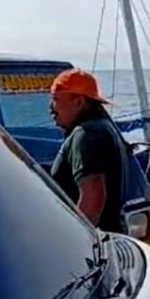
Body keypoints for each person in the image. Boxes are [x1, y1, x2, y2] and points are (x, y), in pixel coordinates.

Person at [49, 68, 127, 233]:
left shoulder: (85, 134)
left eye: (56, 99)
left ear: (78, 102)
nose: (51, 108)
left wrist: (74, 241)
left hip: (94, 247)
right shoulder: (103, 127)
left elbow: (93, 197)